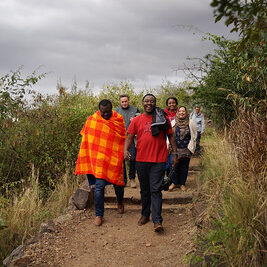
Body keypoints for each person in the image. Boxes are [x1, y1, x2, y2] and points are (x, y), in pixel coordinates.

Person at [124, 94, 178, 232]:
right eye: (147, 101)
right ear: (142, 103)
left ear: (155, 103)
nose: (149, 103)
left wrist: (175, 153)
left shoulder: (161, 118)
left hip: (158, 160)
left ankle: (157, 220)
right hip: (141, 160)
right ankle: (144, 214)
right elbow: (129, 136)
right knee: (145, 190)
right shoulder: (136, 120)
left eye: (152, 101)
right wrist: (125, 150)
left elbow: (170, 135)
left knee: (156, 190)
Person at [75, 99, 126, 226]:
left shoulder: (118, 119)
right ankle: (99, 214)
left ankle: (120, 202)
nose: (106, 115)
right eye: (103, 112)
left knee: (118, 185)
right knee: (99, 188)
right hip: (99, 161)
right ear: (99, 110)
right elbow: (87, 139)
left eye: (108, 112)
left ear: (112, 109)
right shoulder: (92, 120)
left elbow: (122, 139)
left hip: (114, 159)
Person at [168, 106, 197, 192]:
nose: (181, 113)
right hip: (174, 148)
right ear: (177, 112)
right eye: (180, 111)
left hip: (186, 148)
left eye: (183, 111)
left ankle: (182, 183)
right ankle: (174, 182)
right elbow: (169, 135)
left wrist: (192, 147)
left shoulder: (190, 123)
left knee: (184, 167)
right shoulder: (173, 122)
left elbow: (194, 135)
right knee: (173, 165)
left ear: (186, 112)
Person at [115, 94, 140, 188]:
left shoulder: (135, 110)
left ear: (128, 101)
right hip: (119, 139)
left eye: (126, 101)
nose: (124, 103)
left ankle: (132, 178)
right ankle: (123, 180)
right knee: (121, 160)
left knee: (132, 158)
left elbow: (141, 122)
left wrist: (135, 120)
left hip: (132, 138)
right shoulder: (116, 111)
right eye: (122, 102)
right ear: (120, 102)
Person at [164, 97, 178, 176]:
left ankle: (174, 179)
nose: (171, 104)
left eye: (173, 102)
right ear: (167, 105)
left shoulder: (180, 113)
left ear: (176, 103)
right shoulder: (164, 114)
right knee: (166, 157)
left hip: (177, 137)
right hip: (166, 137)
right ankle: (167, 176)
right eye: (169, 103)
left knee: (174, 157)